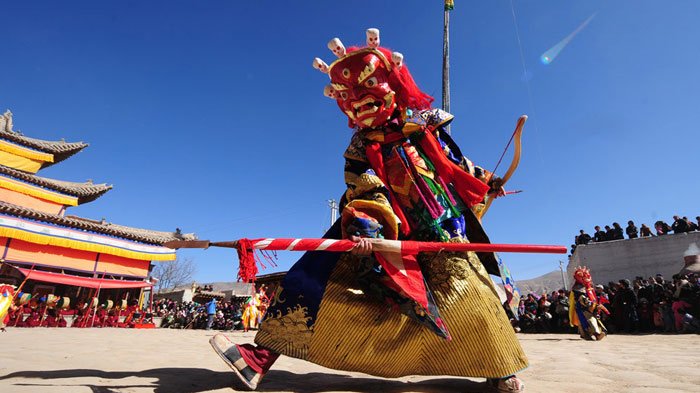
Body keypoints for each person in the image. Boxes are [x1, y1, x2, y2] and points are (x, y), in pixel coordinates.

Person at [210, 28, 527, 392]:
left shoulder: (425, 126)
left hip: (439, 227)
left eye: (368, 92)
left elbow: (457, 163)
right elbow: (363, 185)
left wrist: (489, 182)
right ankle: (258, 359)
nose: (360, 104)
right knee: (310, 279)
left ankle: (500, 369)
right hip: (378, 231)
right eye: (351, 99)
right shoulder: (360, 147)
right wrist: (369, 226)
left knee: (472, 293)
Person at [569, 267, 607, 340]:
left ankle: (592, 334)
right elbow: (580, 297)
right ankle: (594, 334)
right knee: (588, 320)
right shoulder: (577, 287)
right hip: (583, 307)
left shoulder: (588, 286)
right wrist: (588, 302)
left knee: (592, 319)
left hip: (590, 306)